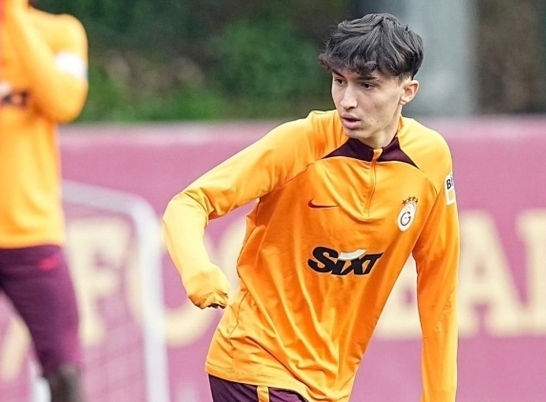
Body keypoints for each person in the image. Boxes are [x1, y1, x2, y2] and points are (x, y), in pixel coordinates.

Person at [163, 12, 460, 402]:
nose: (347, 101)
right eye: (339, 81)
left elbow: (440, 289)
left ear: (408, 91)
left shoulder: (430, 160)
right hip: (256, 365)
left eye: (367, 85)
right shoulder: (301, 143)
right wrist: (197, 271)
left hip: (328, 384)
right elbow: (189, 202)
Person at [0, 0, 88, 401]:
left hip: (31, 233)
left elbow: (63, 102)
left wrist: (15, 16)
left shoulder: (61, 32)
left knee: (65, 371)